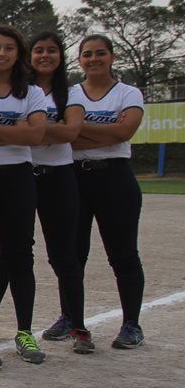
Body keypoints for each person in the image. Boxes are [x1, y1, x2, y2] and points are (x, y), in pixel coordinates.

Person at [0, 24, 47, 364]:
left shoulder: (31, 92)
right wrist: (14, 130)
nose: (1, 53)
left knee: (20, 254)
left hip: (18, 177)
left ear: (18, 53)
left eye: (8, 48)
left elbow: (35, 136)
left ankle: (24, 331)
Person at [71, 34, 146, 350]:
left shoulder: (128, 93)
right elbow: (63, 137)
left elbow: (124, 132)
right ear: (80, 60)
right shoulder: (71, 93)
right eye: (87, 54)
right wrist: (105, 133)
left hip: (115, 178)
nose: (93, 59)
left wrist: (78, 128)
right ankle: (72, 320)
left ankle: (131, 324)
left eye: (100, 53)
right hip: (75, 179)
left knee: (123, 254)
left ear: (112, 57)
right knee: (73, 256)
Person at [29, 32, 92, 352]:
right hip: (25, 176)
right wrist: (42, 132)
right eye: (38, 50)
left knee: (64, 255)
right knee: (7, 254)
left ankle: (77, 325)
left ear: (60, 56)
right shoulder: (20, 90)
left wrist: (30, 130)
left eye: (51, 50)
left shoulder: (72, 92)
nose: (44, 56)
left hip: (59, 177)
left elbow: (71, 131)